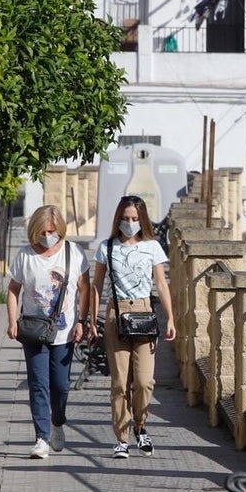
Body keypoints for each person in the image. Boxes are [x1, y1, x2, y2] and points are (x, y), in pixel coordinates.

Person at [91, 195, 176, 459]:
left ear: (143, 220)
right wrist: (91, 319)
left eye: (135, 219)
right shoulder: (106, 247)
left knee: (144, 381)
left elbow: (161, 283)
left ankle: (140, 425)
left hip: (144, 314)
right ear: (118, 219)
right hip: (117, 313)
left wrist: (171, 317)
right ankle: (122, 438)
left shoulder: (152, 247)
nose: (130, 223)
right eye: (126, 218)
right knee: (119, 382)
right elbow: (96, 285)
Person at [6, 205, 90, 459]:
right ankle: (41, 438)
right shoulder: (25, 256)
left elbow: (85, 289)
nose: (47, 236)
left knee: (61, 386)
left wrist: (82, 321)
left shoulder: (73, 252)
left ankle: (57, 422)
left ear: (59, 229)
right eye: (42, 232)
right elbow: (13, 290)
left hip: (64, 333)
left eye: (51, 231)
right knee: (38, 384)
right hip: (33, 330)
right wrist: (12, 321)